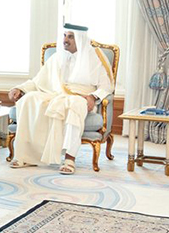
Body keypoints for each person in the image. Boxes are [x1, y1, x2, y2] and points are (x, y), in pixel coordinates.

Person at [8, 24, 114, 174]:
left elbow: (106, 86)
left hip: (81, 97)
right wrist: (20, 89)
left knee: (75, 105)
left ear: (80, 39)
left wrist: (92, 97)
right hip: (56, 94)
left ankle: (70, 159)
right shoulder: (57, 57)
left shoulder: (94, 57)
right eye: (64, 36)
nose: (65, 40)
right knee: (29, 99)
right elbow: (38, 81)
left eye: (70, 37)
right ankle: (26, 156)